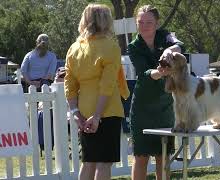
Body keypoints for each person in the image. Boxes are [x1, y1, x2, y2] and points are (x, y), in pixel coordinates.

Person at [64, 4, 129, 180]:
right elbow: (107, 85)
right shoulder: (111, 47)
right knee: (104, 163)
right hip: (107, 110)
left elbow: (69, 83)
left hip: (84, 111)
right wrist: (98, 116)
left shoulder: (74, 48)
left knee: (89, 162)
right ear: (107, 21)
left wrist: (76, 113)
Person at [128, 5, 184, 180]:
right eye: (141, 22)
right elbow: (144, 74)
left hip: (165, 106)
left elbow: (180, 45)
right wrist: (160, 72)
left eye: (149, 22)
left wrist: (169, 50)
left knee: (163, 156)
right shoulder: (134, 46)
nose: (144, 26)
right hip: (142, 108)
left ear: (157, 23)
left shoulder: (165, 35)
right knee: (141, 157)